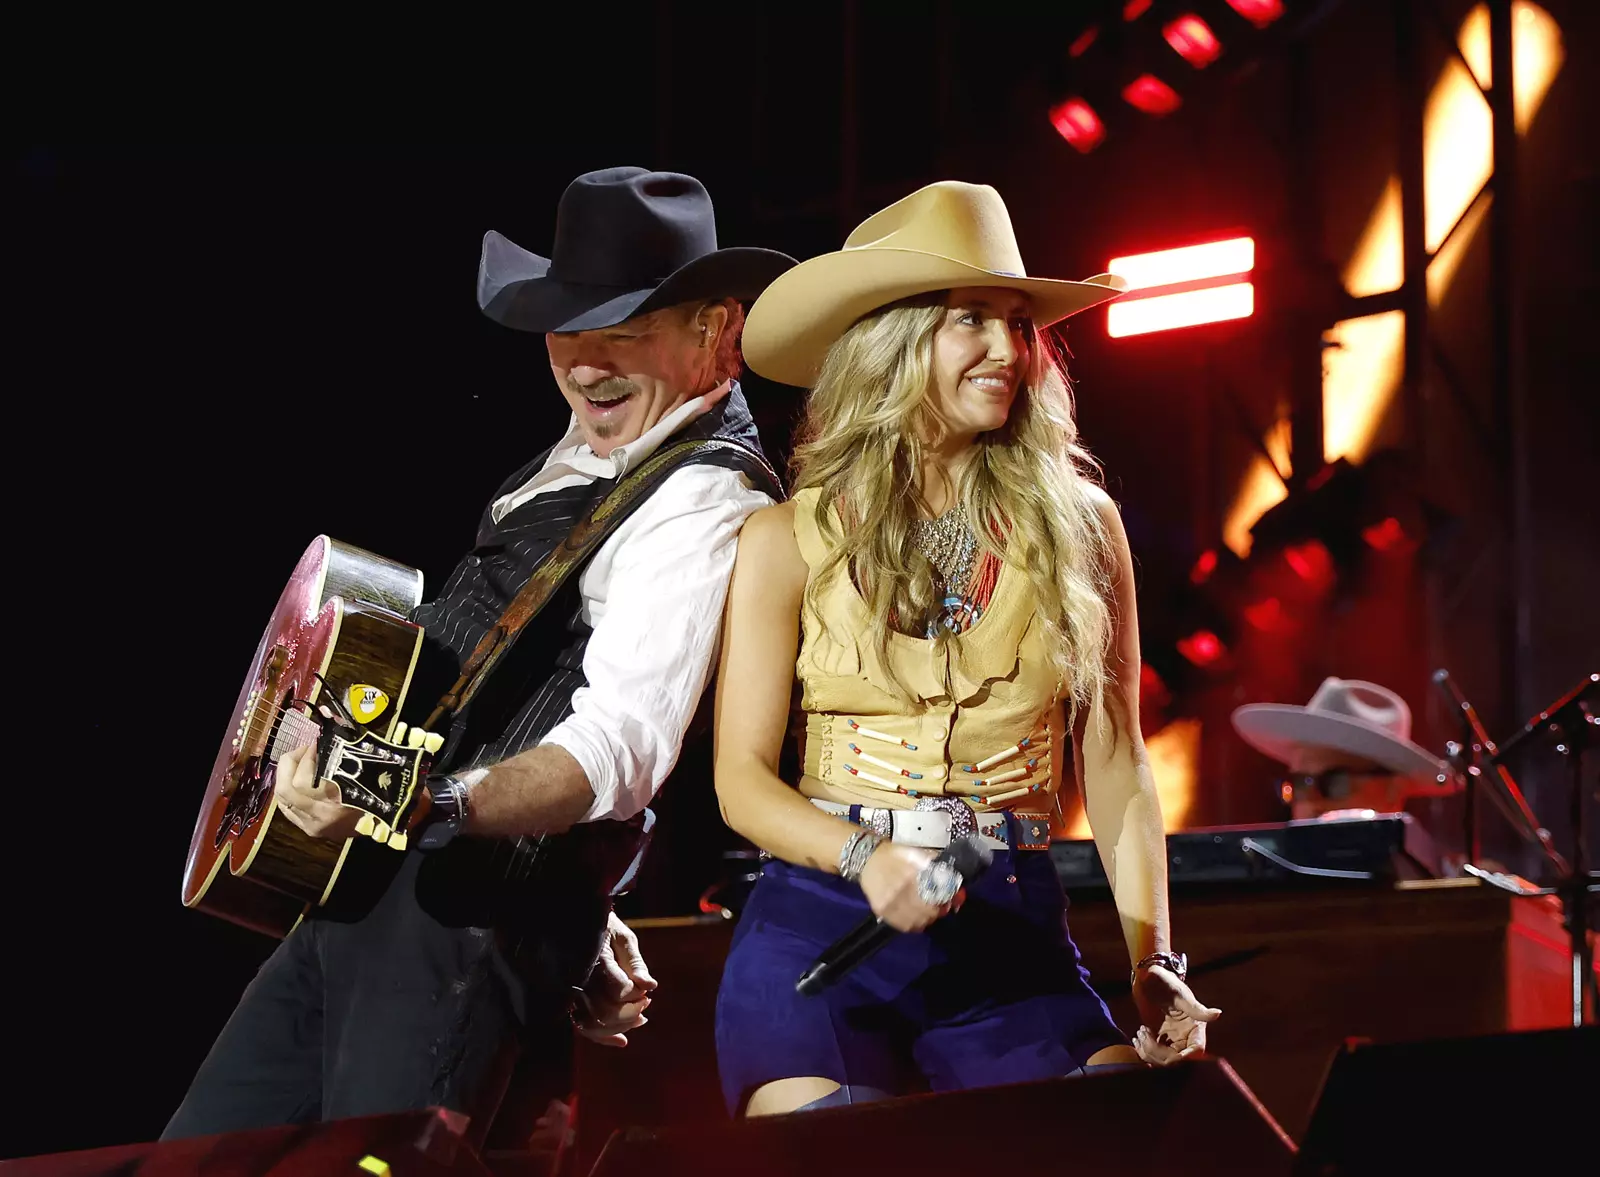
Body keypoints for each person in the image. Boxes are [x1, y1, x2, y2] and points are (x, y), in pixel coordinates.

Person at [164, 168, 794, 1146]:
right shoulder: (586, 456)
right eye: (564, 328)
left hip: (459, 924)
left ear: (716, 328)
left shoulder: (699, 497)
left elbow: (618, 750)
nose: (585, 363)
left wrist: (440, 807)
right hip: (369, 895)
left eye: (621, 329)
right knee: (196, 1159)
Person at [711, 180, 1221, 1116]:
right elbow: (740, 781)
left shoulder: (1083, 529)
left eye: (1019, 324)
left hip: (1009, 932)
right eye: (971, 320)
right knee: (832, 1150)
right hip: (822, 927)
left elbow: (1117, 760)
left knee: (1126, 1136)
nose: (1008, 350)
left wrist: (1154, 959)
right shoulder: (784, 539)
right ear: (893, 343)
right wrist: (866, 856)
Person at [1232, 676, 1453, 821]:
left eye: (1333, 783)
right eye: (1300, 784)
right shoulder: (1271, 879)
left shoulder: (1433, 879)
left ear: (1393, 789)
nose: (1311, 802)